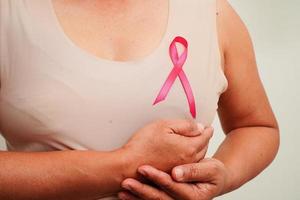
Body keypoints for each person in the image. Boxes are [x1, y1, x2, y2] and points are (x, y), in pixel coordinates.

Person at [0, 0, 279, 200]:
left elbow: (256, 127)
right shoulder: (8, 14)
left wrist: (223, 175)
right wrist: (125, 164)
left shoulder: (213, 12)